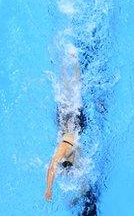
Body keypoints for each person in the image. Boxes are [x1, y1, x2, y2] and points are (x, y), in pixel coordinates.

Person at [45, 45, 83, 202]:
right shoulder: (70, 148)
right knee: (75, 90)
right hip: (74, 118)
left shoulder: (65, 146)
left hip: (66, 116)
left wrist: (48, 189)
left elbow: (52, 166)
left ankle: (65, 62)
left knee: (67, 90)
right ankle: (72, 61)